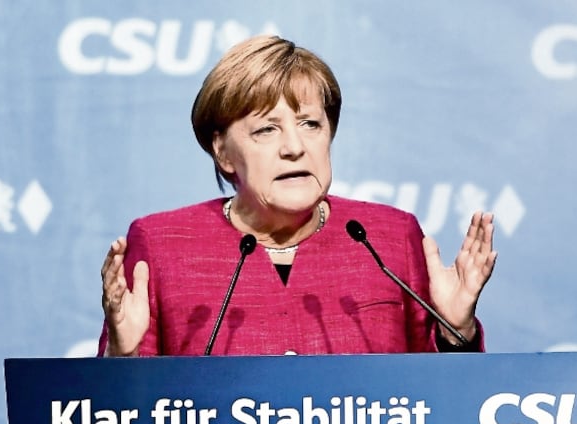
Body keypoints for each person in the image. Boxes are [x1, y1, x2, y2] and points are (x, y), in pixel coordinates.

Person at [99, 35, 496, 357]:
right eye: (266, 130)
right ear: (222, 151)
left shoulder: (388, 239)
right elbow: (114, 422)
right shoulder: (164, 244)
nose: (294, 146)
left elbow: (441, 410)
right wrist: (122, 359)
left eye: (310, 124)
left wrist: (454, 331)